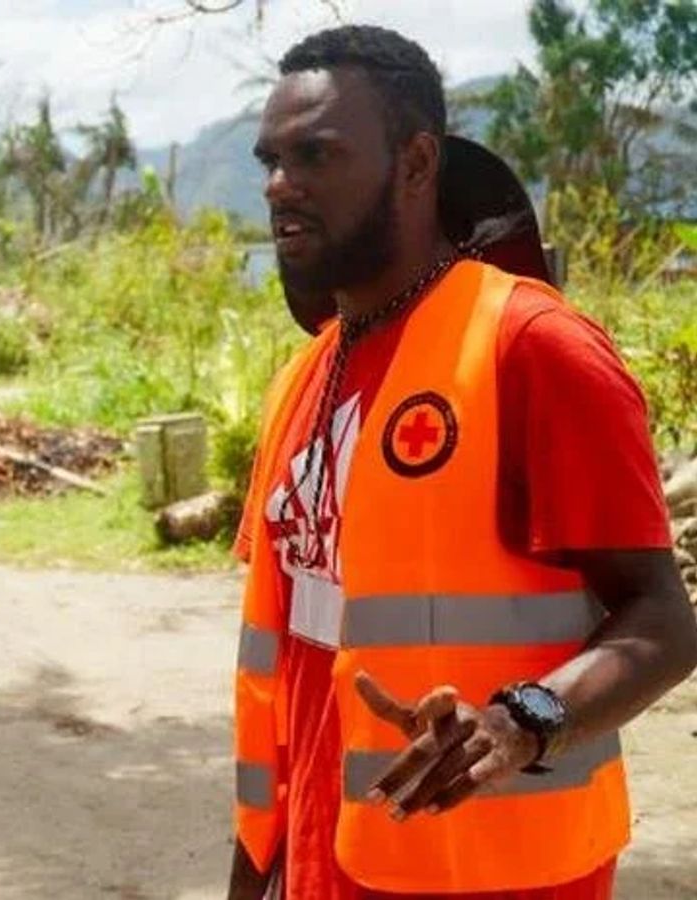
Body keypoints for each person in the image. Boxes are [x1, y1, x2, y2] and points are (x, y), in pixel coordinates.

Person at [227, 25, 697, 900]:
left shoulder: (534, 348)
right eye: (270, 160)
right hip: (325, 863)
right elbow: (291, 670)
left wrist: (526, 722)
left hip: (501, 874)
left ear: (415, 163)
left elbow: (664, 619)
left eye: (316, 155)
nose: (279, 186)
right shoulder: (304, 376)